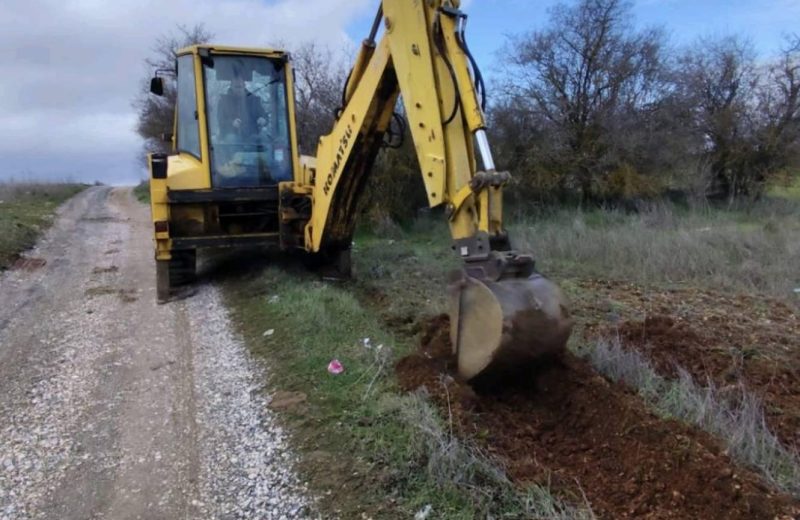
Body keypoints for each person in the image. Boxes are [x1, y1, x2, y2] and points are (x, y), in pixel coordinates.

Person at [217, 74, 268, 140]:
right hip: (231, 134)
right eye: (236, 87)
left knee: (264, 139)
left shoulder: (254, 100)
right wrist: (232, 123)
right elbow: (220, 120)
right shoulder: (223, 101)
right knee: (232, 138)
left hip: (252, 134)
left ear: (244, 86)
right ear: (231, 87)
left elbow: (264, 116)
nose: (239, 89)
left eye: (240, 87)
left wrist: (263, 119)